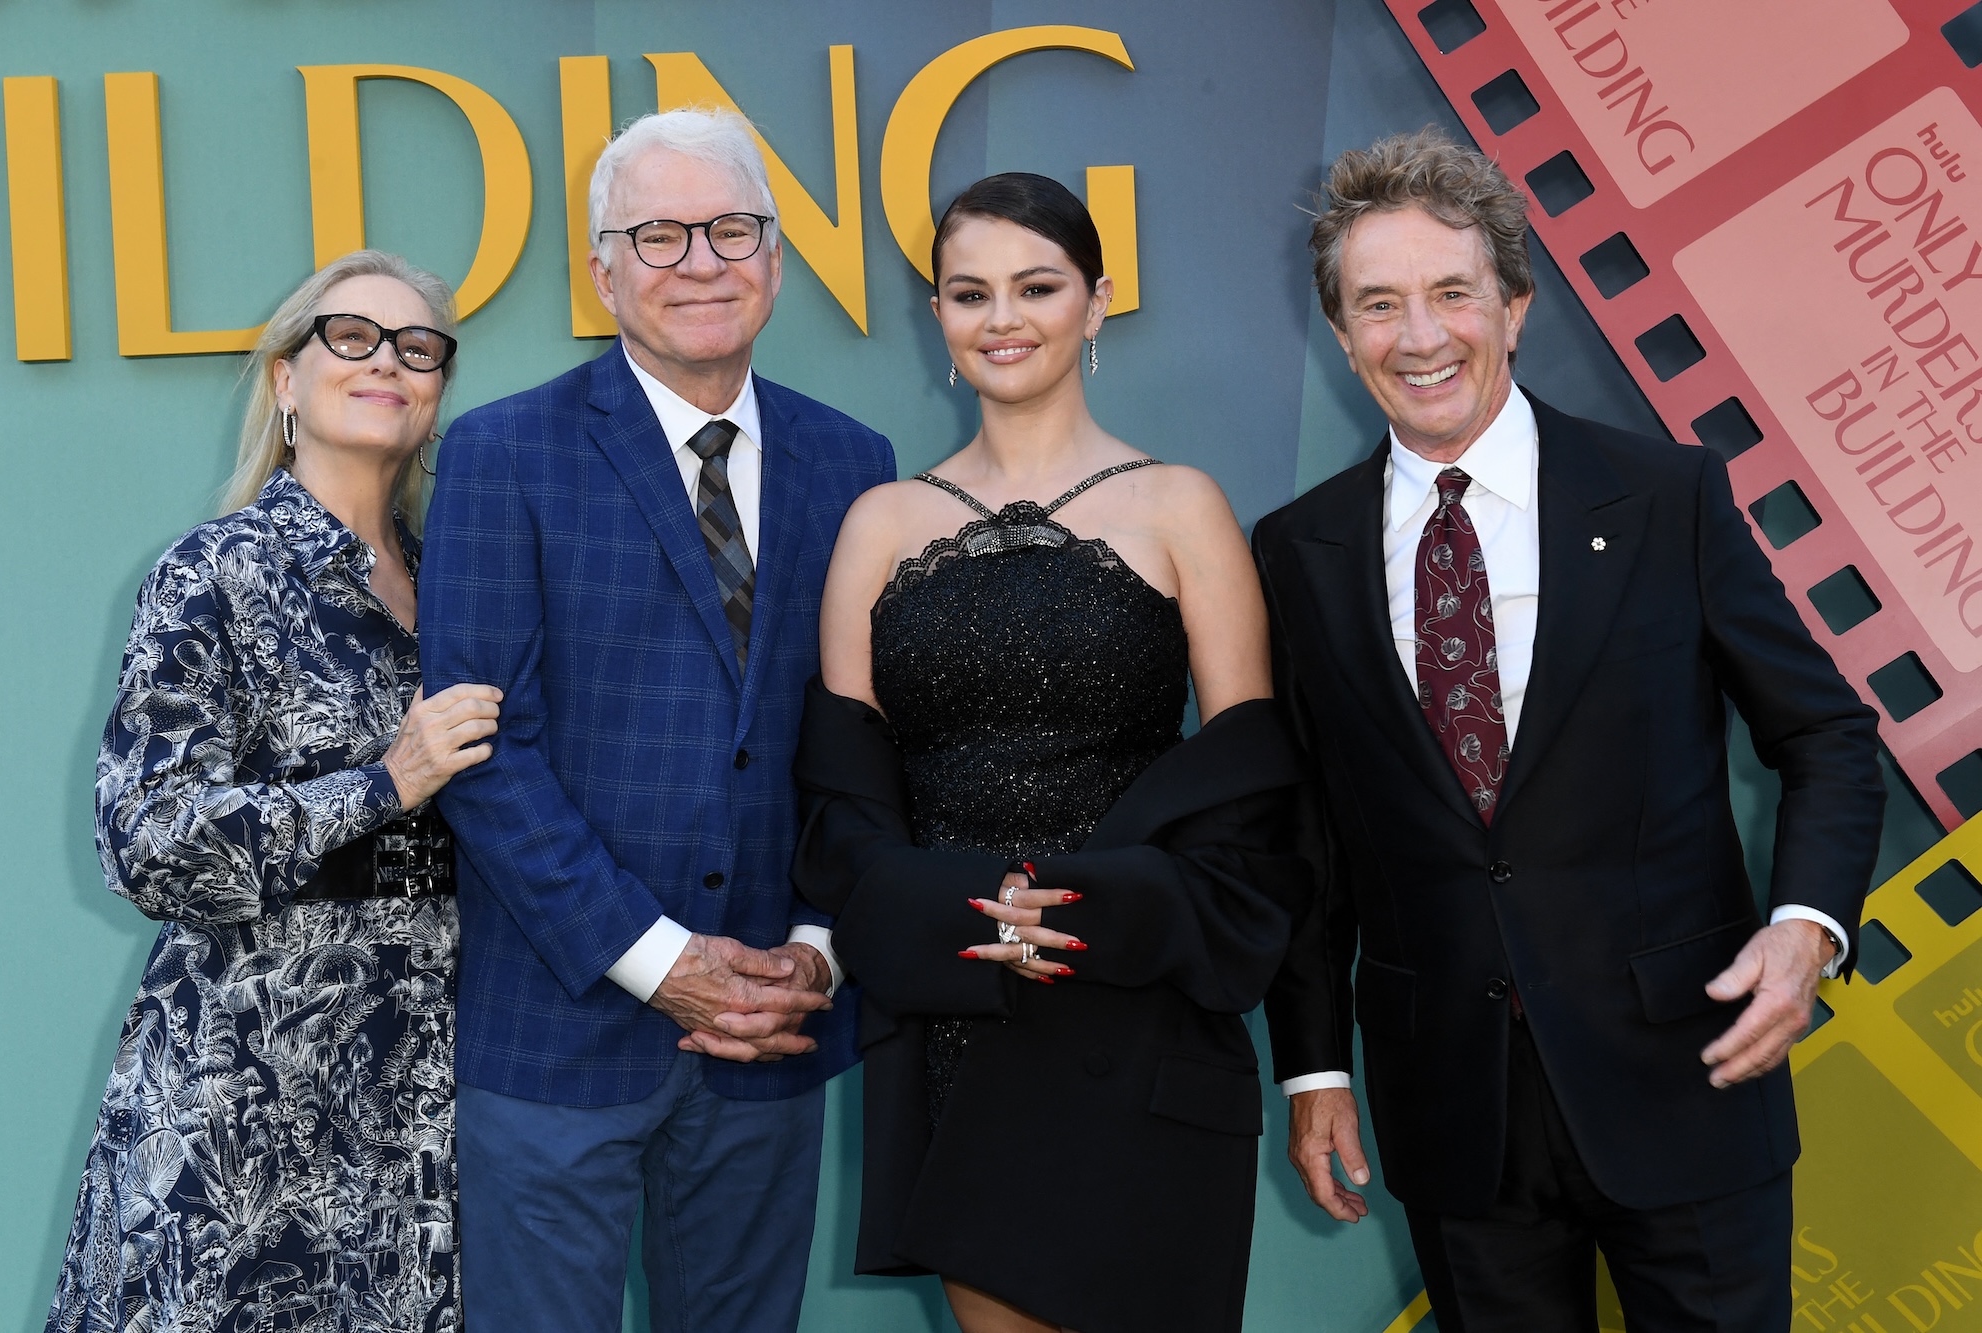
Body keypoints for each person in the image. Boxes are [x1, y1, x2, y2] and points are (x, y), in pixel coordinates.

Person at [1254, 127, 1888, 1332]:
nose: (1421, 336)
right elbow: (1306, 839)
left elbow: (1824, 736)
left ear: (1515, 304)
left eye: (1451, 293)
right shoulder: (1296, 551)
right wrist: (1314, 1061)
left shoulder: (1664, 496)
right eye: (1378, 305)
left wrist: (1805, 930)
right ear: (1341, 338)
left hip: (1689, 1079)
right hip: (1453, 1108)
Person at [796, 172, 1310, 1333]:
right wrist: (972, 914)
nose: (1002, 318)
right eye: (968, 293)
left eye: (1036, 286)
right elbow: (843, 807)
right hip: (958, 1011)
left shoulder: (1182, 506)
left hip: (1139, 997)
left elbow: (1248, 797)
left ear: (1097, 300)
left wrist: (1080, 909)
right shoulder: (877, 522)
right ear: (936, 316)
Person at [416, 108, 894, 1333]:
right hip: (558, 1028)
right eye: (658, 235)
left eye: (730, 229)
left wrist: (818, 945)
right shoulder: (501, 453)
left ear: (776, 259)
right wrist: (661, 962)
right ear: (602, 270)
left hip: (770, 1029)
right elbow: (481, 755)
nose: (699, 261)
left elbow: (866, 740)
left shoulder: (855, 464)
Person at [46, 250, 497, 1333]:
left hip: (431, 1086)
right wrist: (384, 781)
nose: (386, 360)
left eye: (417, 346)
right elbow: (144, 840)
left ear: (436, 397)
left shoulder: (470, 582)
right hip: (248, 1084)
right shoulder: (214, 573)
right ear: (286, 383)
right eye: (350, 336)